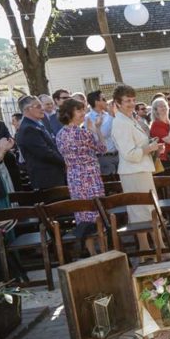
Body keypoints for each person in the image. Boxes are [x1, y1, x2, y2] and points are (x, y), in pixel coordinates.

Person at [111, 85, 164, 255]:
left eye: (133, 100)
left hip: (141, 169)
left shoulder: (130, 119)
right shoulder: (119, 122)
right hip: (133, 172)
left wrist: (153, 147)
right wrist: (149, 149)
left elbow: (139, 145)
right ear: (118, 103)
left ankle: (158, 247)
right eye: (127, 101)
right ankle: (148, 250)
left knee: (150, 209)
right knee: (140, 212)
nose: (132, 103)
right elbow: (129, 154)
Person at [55, 99, 106, 252]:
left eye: (83, 110)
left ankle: (91, 252)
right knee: (96, 212)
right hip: (90, 176)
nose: (83, 114)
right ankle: (103, 251)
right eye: (79, 110)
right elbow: (102, 148)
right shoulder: (82, 133)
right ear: (69, 113)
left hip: (73, 177)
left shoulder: (59, 134)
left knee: (82, 214)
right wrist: (96, 129)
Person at [16, 95, 67, 189]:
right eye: (38, 106)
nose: (42, 109)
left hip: (54, 175)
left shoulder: (35, 124)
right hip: (47, 179)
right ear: (27, 109)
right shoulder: (28, 128)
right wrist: (65, 162)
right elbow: (45, 153)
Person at [86, 90, 119, 176]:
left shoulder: (108, 115)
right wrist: (112, 116)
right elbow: (102, 134)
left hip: (117, 155)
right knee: (111, 188)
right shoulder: (88, 118)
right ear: (96, 102)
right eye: (103, 99)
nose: (106, 101)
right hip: (104, 158)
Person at [149, 98, 170, 168]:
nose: (164, 108)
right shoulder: (156, 124)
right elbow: (169, 140)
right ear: (155, 110)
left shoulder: (169, 122)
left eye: (165, 105)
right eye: (161, 106)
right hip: (166, 159)